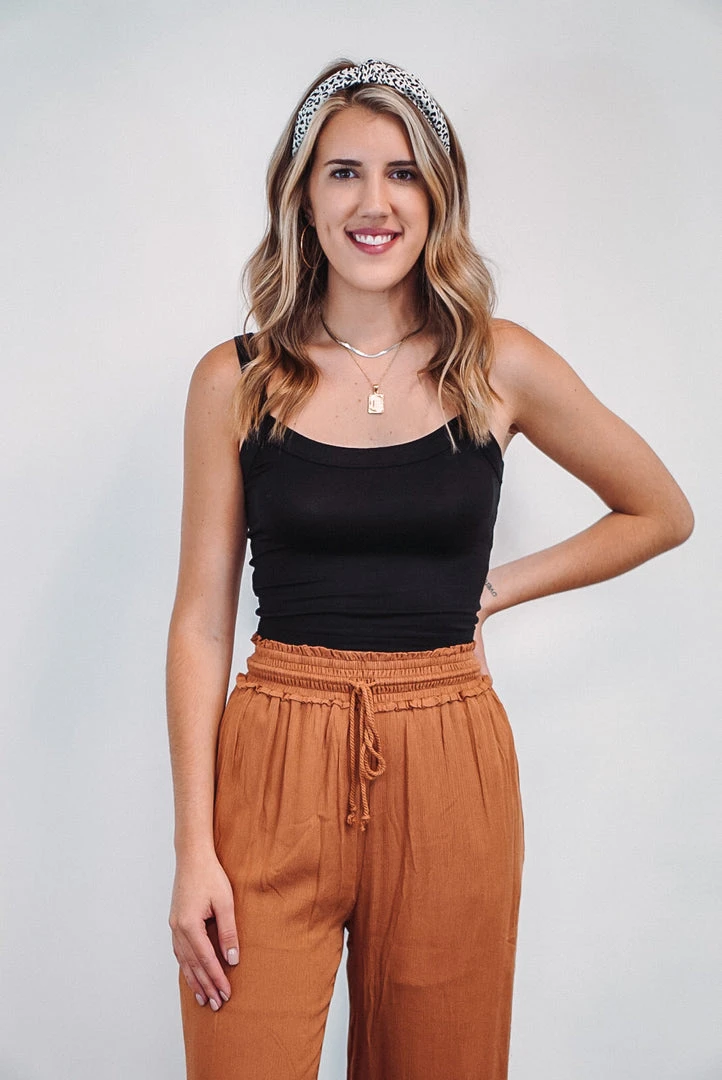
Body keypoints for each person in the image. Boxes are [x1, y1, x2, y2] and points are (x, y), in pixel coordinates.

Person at [165, 57, 694, 1080]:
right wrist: (194, 850)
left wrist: (491, 592)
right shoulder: (235, 380)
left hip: (450, 759)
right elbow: (199, 621)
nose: (375, 202)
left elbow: (660, 511)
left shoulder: (498, 364)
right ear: (302, 197)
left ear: (437, 195)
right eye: (344, 172)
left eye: (402, 173)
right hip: (273, 759)